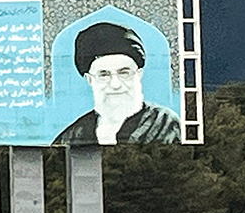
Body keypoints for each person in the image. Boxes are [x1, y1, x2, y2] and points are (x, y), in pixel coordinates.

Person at [52, 22, 182, 145]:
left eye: (124, 73)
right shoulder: (73, 135)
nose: (115, 85)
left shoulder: (165, 123)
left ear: (138, 74)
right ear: (90, 79)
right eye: (104, 75)